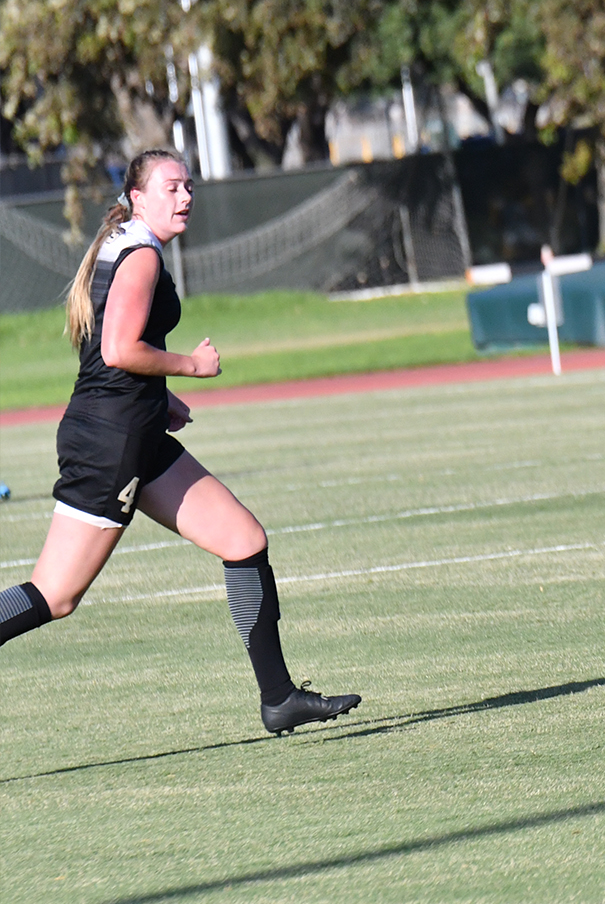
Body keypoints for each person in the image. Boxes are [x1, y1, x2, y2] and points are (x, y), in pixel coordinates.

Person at [1, 150, 360, 732]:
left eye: (188, 186)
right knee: (55, 595)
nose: (185, 197)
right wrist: (191, 366)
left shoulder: (131, 243)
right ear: (137, 198)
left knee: (243, 540)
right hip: (112, 444)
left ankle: (279, 699)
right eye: (171, 188)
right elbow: (118, 350)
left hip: (134, 432)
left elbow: (109, 353)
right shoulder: (141, 254)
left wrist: (158, 396)